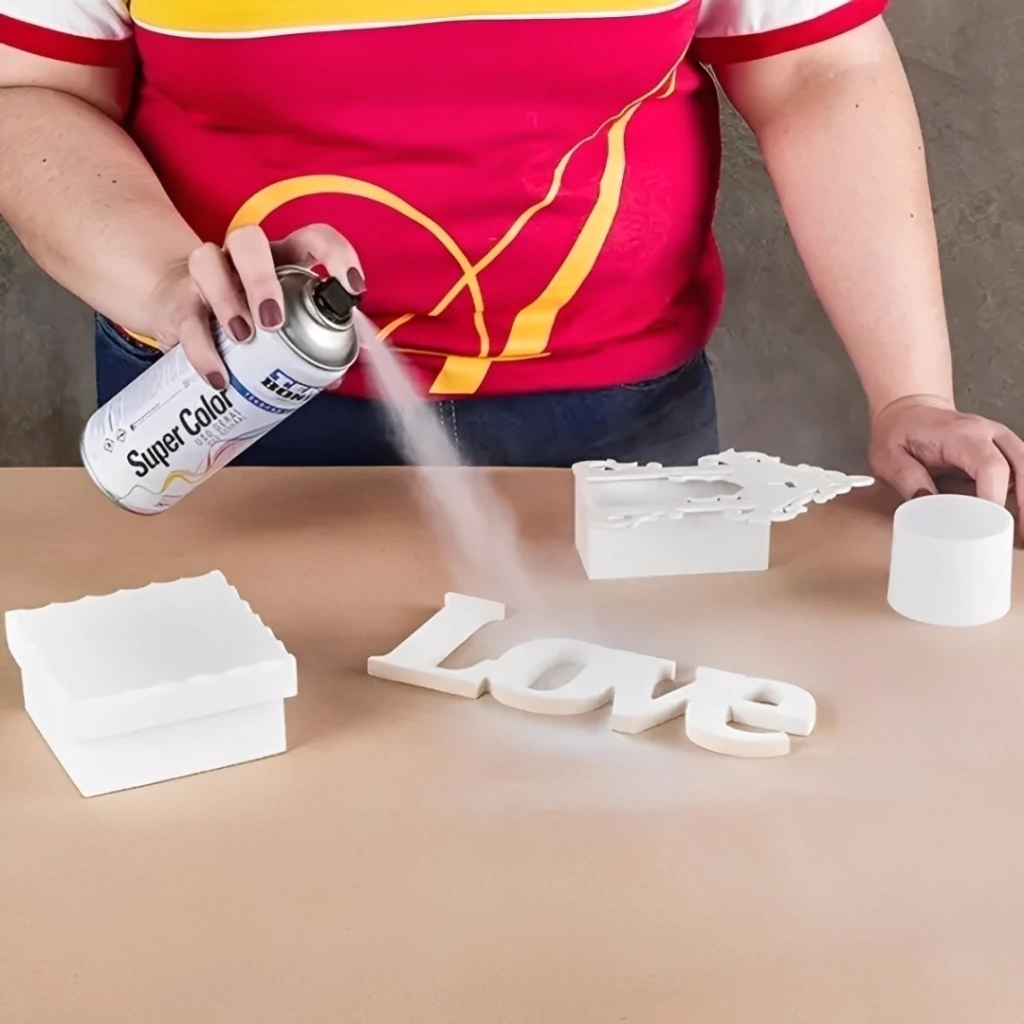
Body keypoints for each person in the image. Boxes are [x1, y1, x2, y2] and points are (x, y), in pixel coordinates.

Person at [0, 1, 1021, 508]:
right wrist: (161, 275)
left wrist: (910, 394)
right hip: (221, 400)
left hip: (611, 416)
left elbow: (814, 72)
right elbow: (34, 92)